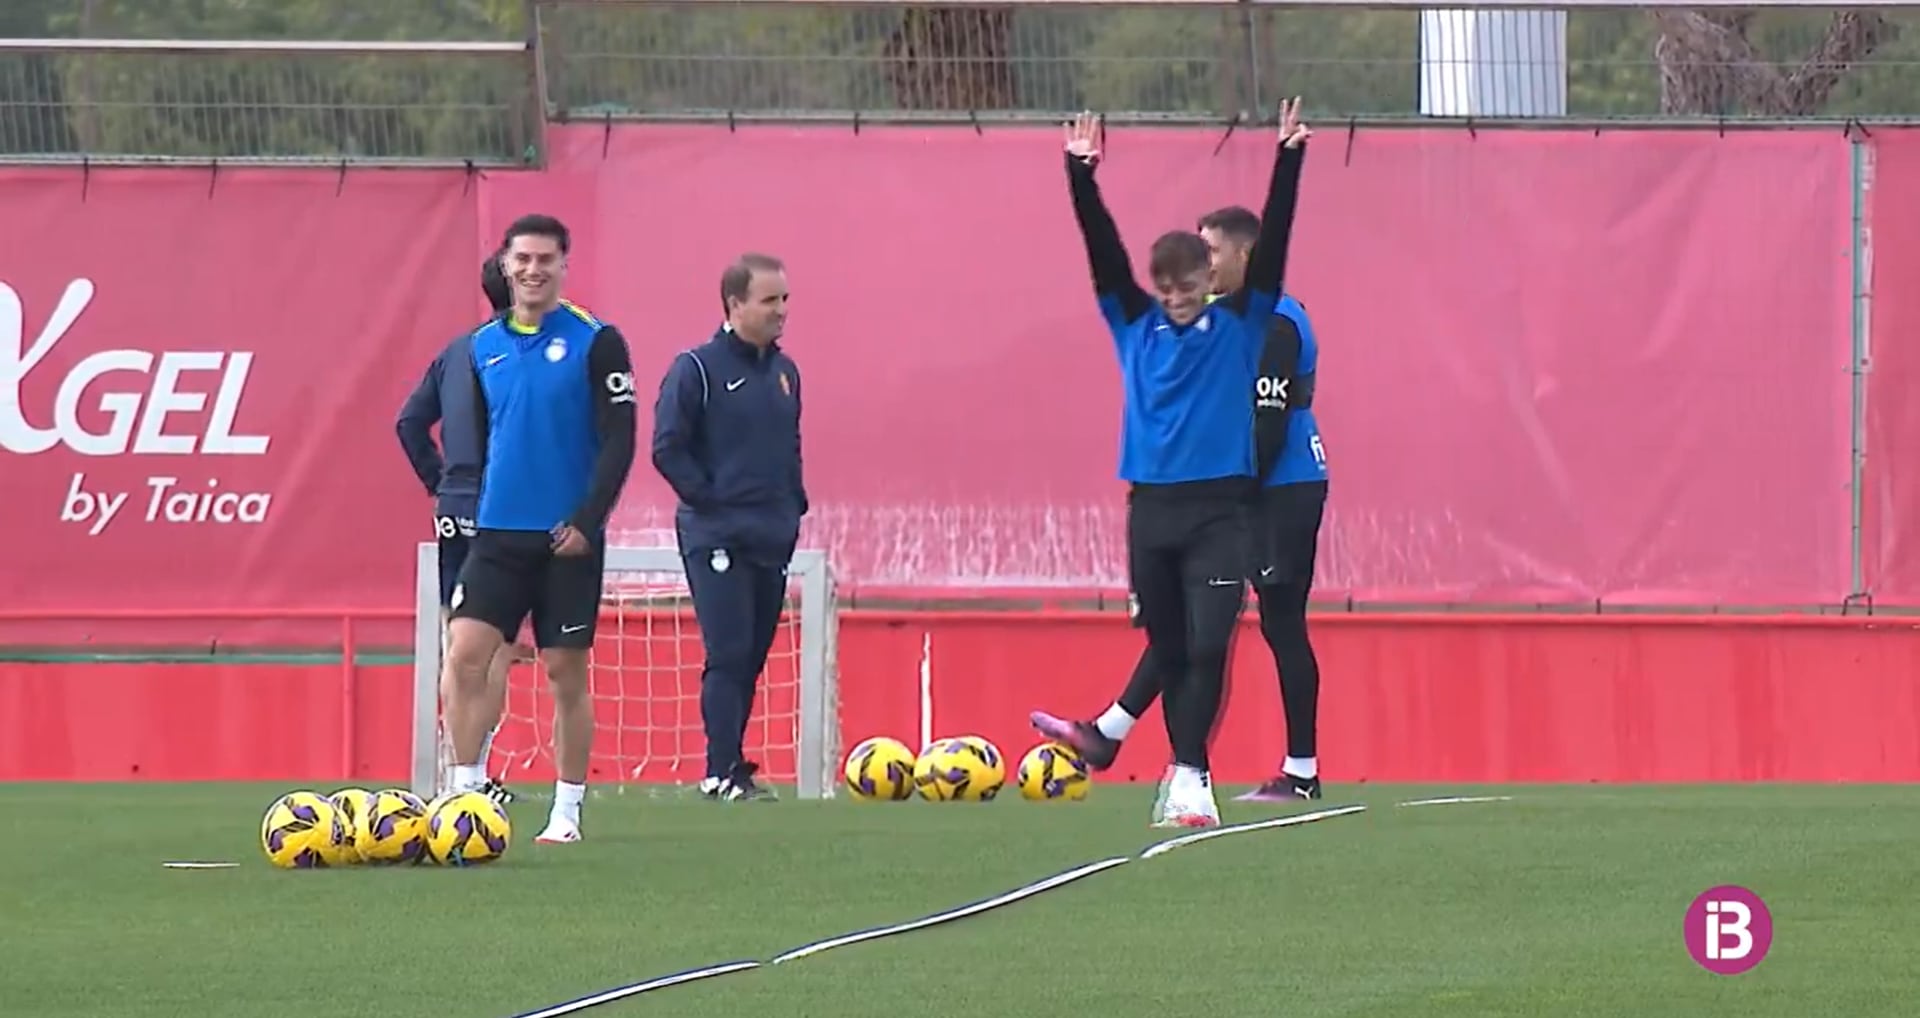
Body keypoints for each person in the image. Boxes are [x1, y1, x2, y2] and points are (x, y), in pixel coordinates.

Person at [1049, 100, 1312, 828]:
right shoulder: (1134, 325)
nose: (1177, 298)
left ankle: (1191, 775)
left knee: (1206, 640)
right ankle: (1147, 752)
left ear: (1210, 279)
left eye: (1188, 285)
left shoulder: (1242, 323)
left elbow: (1278, 238)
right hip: (1152, 511)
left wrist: (1289, 158)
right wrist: (1080, 174)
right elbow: (1100, 248)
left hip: (1221, 510)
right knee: (1168, 644)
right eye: (1165, 288)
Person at [441, 214, 638, 844]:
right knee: (466, 655)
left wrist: (587, 520)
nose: (532, 270)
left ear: (562, 265)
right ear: (505, 265)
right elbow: (482, 440)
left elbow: (620, 439)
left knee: (563, 671)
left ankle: (567, 810)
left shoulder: (596, 340)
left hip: (565, 538)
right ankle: (466, 792)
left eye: (545, 259)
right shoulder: (482, 346)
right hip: (497, 533)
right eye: (521, 259)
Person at [650, 253, 808, 803]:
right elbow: (667, 447)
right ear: (735, 304)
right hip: (716, 536)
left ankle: (734, 765)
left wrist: (794, 507)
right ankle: (720, 770)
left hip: (771, 533)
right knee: (730, 649)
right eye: (770, 301)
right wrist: (712, 502)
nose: (781, 311)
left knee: (756, 653)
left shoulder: (786, 373)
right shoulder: (695, 369)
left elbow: (790, 449)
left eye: (785, 299)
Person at [394, 249, 529, 806]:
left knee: (461, 645)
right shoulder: (530, 354)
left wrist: (443, 482)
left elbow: (408, 423)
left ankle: (459, 775)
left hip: (457, 506)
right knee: (494, 650)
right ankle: (471, 776)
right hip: (507, 507)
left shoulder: (456, 350)